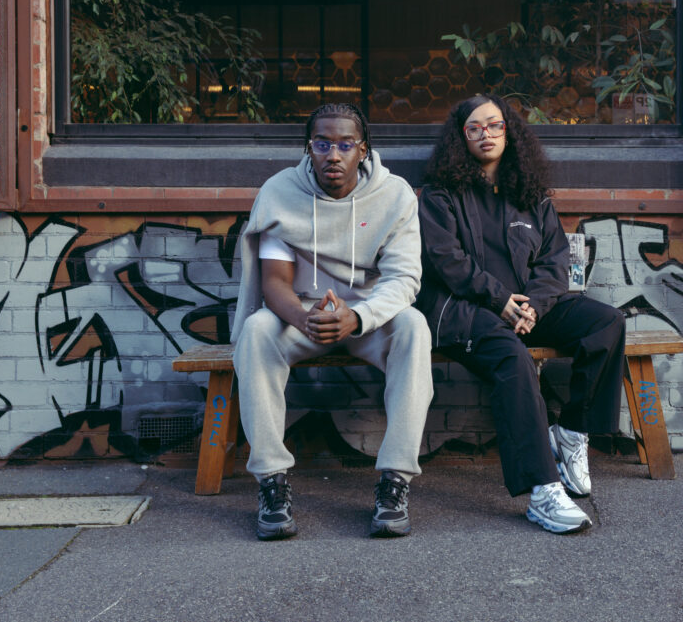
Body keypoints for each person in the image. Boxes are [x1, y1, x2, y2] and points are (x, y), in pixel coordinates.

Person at [416, 94, 625, 534]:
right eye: (474, 128)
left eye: (494, 125)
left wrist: (535, 307)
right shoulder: (438, 195)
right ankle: (543, 491)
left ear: (509, 132)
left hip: (527, 307)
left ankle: (571, 431)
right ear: (461, 137)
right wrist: (501, 302)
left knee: (607, 323)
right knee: (514, 359)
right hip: (466, 310)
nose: (485, 134)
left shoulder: (531, 196)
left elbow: (554, 263)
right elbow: (446, 262)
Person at [231, 103, 433, 540]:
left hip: (368, 315)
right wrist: (305, 320)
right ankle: (271, 482)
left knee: (414, 327)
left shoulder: (395, 195)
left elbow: (404, 279)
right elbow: (274, 282)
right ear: (309, 147)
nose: (333, 155)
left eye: (345, 145)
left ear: (364, 149)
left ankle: (395, 482)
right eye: (322, 144)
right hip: (302, 314)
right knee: (256, 331)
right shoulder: (280, 192)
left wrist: (356, 317)